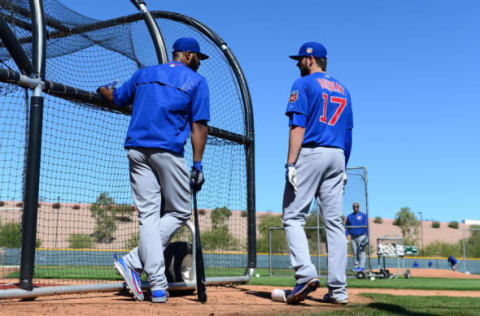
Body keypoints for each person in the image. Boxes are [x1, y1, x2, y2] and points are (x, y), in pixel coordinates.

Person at [97, 37, 210, 303]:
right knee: (180, 210)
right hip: (167, 151)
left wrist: (103, 90)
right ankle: (134, 261)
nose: (198, 63)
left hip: (136, 149)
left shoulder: (144, 73)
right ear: (187, 55)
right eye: (198, 58)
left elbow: (116, 98)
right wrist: (198, 164)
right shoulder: (197, 81)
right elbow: (199, 126)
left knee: (148, 216)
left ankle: (157, 286)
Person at [282, 42, 353, 305]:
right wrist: (344, 166)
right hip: (337, 156)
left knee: (292, 216)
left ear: (311, 60)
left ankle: (305, 275)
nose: (298, 63)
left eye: (300, 59)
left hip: (312, 153)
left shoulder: (303, 84)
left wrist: (291, 163)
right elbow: (348, 133)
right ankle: (338, 291)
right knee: (334, 224)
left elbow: (297, 125)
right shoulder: (344, 89)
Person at [345, 202, 368, 272]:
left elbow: (366, 226)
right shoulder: (349, 216)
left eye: (357, 206)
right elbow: (347, 227)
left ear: (359, 207)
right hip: (353, 237)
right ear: (353, 208)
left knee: (362, 251)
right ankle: (356, 266)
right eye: (354, 206)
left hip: (361, 236)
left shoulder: (363, 216)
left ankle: (361, 267)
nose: (356, 208)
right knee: (355, 253)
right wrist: (346, 234)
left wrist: (367, 237)